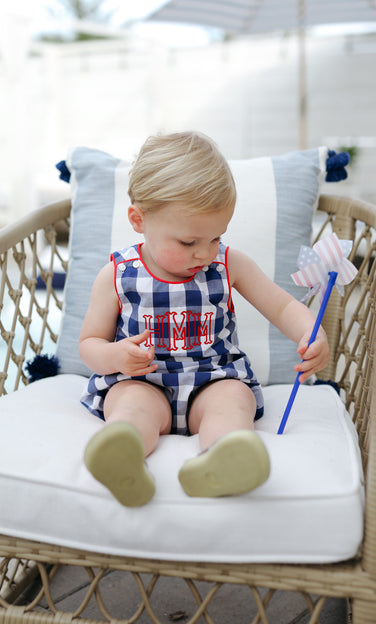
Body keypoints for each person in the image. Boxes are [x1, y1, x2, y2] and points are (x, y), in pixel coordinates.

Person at [79, 131, 329, 507]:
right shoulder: (117, 275)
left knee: (232, 402)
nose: (206, 253)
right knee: (131, 408)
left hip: (213, 380)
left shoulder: (229, 264)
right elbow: (89, 345)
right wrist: (116, 357)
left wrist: (312, 333)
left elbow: (281, 306)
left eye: (216, 237)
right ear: (138, 219)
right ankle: (123, 457)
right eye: (188, 242)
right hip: (144, 382)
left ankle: (223, 459)